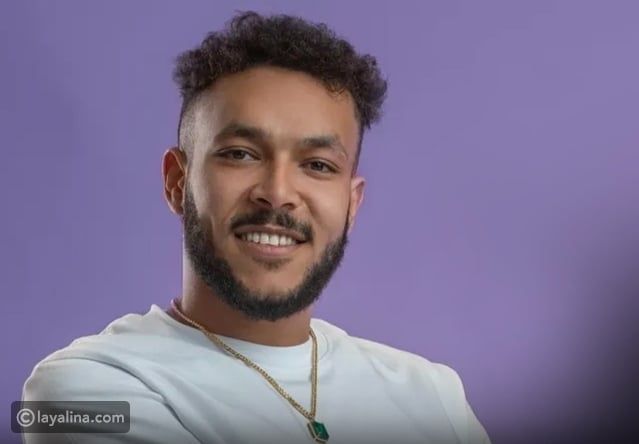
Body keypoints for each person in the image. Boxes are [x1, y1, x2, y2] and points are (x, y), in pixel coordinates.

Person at [22, 11, 491, 444]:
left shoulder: (433, 395)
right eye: (241, 154)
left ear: (352, 204)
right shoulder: (79, 395)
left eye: (318, 165)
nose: (278, 192)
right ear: (177, 182)